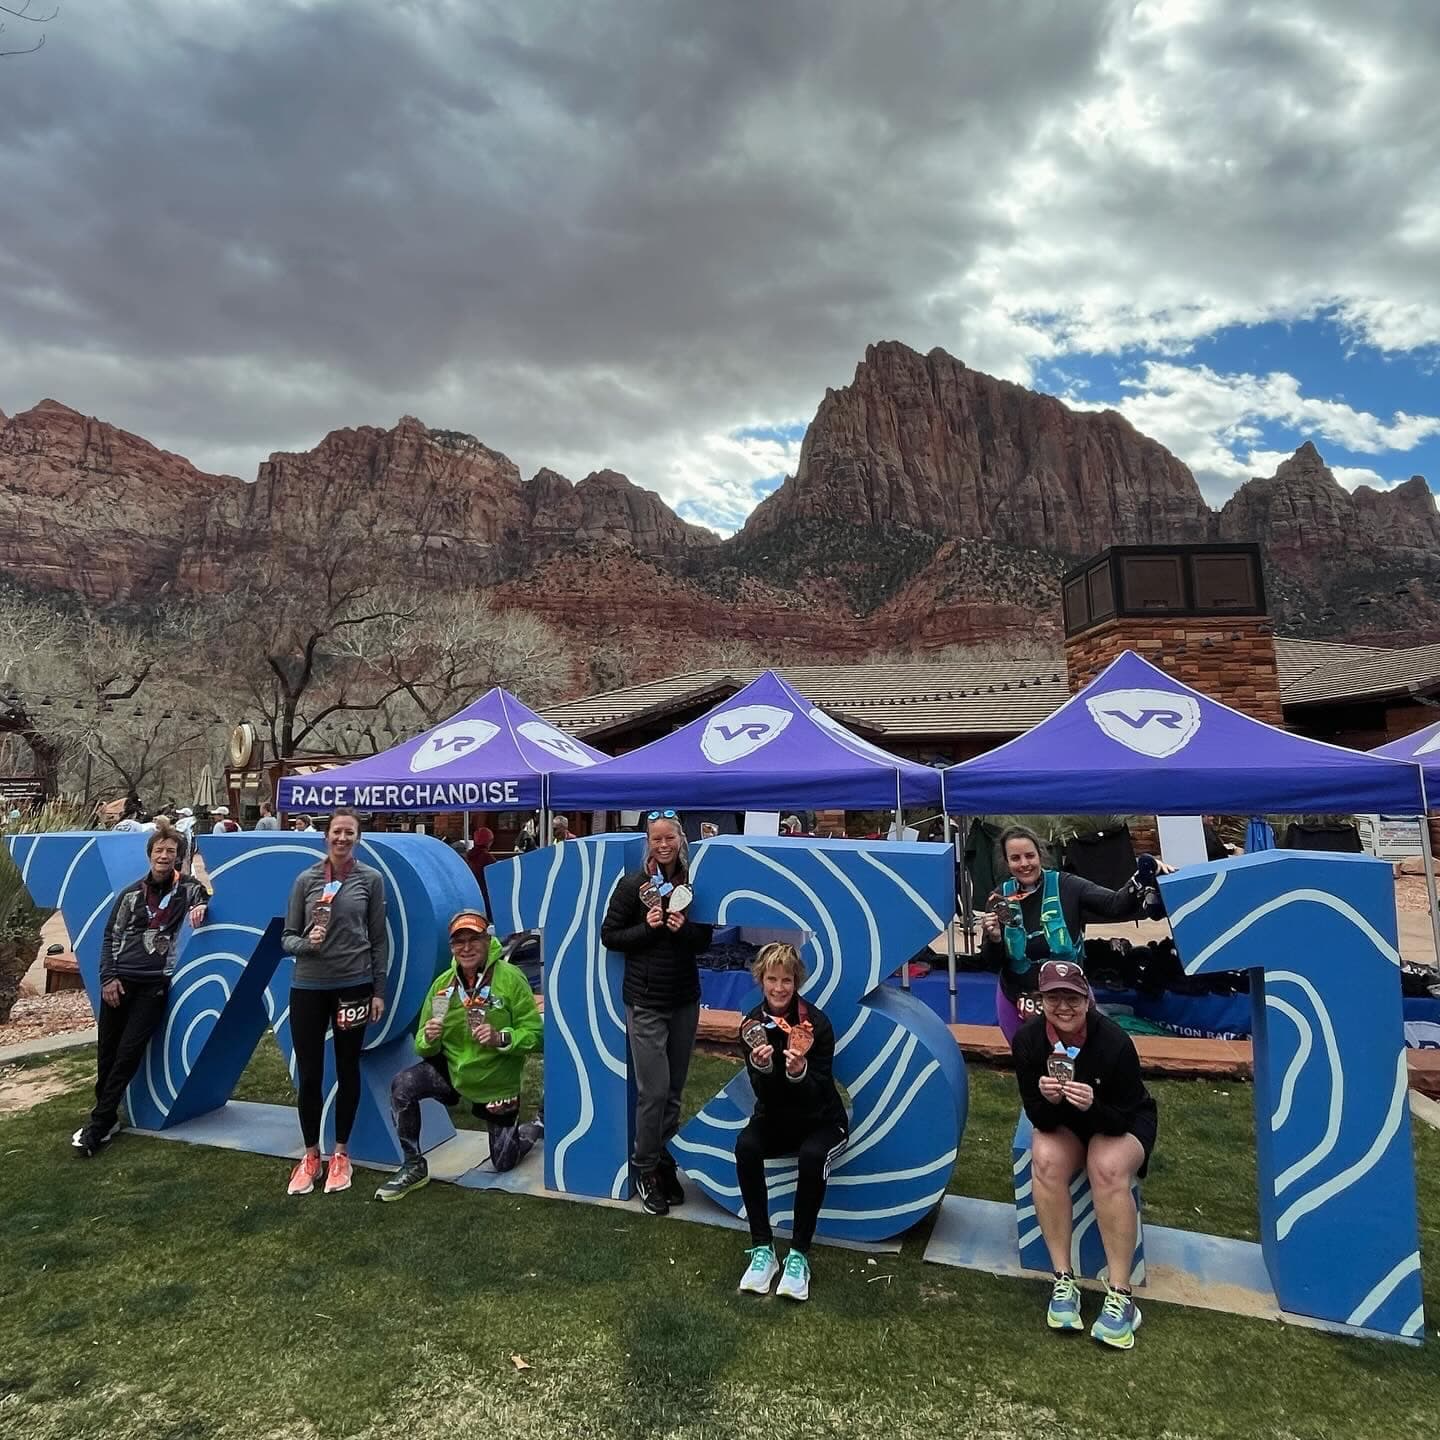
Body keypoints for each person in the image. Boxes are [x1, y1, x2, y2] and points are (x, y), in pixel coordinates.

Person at [1013, 960, 1156, 1350]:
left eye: (1072, 997)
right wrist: (1045, 1099)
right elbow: (1039, 1118)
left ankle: (1121, 1294)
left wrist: (1091, 1104)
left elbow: (1122, 1118)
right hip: (1067, 1121)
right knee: (1044, 1158)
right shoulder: (1027, 1041)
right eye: (1054, 997)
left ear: (1087, 999)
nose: (1064, 1006)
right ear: (1041, 999)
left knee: (1106, 1167)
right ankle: (1063, 1280)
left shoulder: (1114, 1043)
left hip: (1120, 1121)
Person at [375, 909, 543, 1200]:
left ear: (486, 939)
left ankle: (537, 1126)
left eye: (473, 939)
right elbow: (423, 1048)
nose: (466, 948)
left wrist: (500, 1037)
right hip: (453, 1071)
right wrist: (427, 1038)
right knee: (402, 1085)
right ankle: (414, 1163)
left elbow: (537, 1036)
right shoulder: (442, 986)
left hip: (495, 1080)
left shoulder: (511, 979)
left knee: (503, 1161)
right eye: (458, 941)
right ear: (451, 946)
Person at [72, 820, 211, 1156]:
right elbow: (110, 937)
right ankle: (107, 1120)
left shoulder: (185, 889)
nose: (165, 856)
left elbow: (202, 895)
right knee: (107, 1053)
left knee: (127, 1055)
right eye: (159, 850)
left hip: (153, 986)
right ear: (150, 855)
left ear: (178, 857)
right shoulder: (132, 894)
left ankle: (97, 1126)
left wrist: (202, 905)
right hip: (120, 981)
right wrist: (108, 978)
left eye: (171, 851)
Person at [600, 807, 713, 1215]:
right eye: (656, 839)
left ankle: (664, 1157)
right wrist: (648, 927)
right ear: (647, 843)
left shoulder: (695, 884)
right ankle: (645, 1167)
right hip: (646, 1002)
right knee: (654, 1091)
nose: (663, 845)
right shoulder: (634, 886)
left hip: (684, 998)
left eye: (670, 838)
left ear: (681, 840)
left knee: (675, 1091)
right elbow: (608, 935)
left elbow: (705, 940)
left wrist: (686, 931)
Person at [281, 808, 388, 1196]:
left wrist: (379, 990)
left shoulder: (370, 880)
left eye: (349, 833)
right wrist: (305, 946)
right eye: (336, 832)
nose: (342, 838)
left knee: (347, 1069)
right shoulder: (305, 880)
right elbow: (286, 936)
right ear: (325, 836)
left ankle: (341, 1154)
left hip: (354, 986)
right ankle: (311, 1155)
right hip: (308, 986)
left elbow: (378, 939)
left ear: (358, 838)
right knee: (309, 1074)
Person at [734, 943, 847, 1303]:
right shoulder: (752, 1026)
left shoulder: (817, 1025)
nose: (779, 988)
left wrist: (799, 1072)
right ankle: (762, 1249)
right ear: (761, 980)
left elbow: (820, 1089)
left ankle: (798, 1255)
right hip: (776, 1116)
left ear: (796, 981)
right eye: (772, 979)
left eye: (786, 980)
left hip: (822, 1119)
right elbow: (761, 1094)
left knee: (813, 1156)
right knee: (746, 1146)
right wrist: (764, 1068)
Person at [980, 825, 1164, 1046]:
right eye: (1015, 858)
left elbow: (1115, 904)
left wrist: (1144, 879)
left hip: (1070, 1002)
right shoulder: (999, 898)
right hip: (1016, 1000)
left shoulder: (1067, 886)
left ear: (1040, 854)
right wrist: (995, 939)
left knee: (1079, 1063)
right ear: (1007, 862)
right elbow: (992, 963)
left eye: (1030, 856)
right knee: (1028, 1064)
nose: (1024, 864)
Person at [466, 824, 496, 918]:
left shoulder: (468, 856)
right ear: (489, 842)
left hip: (470, 894)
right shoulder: (487, 858)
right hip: (485, 896)